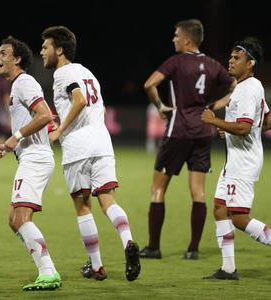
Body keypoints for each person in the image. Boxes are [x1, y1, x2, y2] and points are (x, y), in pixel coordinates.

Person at [40, 25, 141, 282]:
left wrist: (59, 130)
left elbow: (79, 100)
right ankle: (128, 240)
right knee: (108, 200)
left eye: (46, 47)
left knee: (83, 206)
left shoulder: (63, 73)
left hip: (78, 147)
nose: (42, 52)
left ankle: (96, 265)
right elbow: (98, 107)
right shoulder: (89, 73)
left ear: (59, 50)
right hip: (102, 142)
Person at [141, 19, 236, 260]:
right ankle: (193, 249)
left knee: (158, 189)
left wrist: (161, 106)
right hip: (204, 131)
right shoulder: (212, 64)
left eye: (176, 35)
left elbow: (149, 84)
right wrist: (215, 106)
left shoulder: (176, 62)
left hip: (178, 131)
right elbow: (234, 85)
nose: (173, 39)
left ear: (187, 40)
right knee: (198, 193)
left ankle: (153, 247)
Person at [0, 36, 61, 291]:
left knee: (20, 218)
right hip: (32, 157)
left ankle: (48, 272)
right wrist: (14, 145)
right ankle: (47, 270)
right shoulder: (18, 86)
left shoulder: (24, 82)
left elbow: (44, 115)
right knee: (14, 219)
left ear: (17, 58)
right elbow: (47, 120)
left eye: (3, 53)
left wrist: (14, 139)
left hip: (35, 159)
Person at [201, 37, 270, 280]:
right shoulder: (246, 86)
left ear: (250, 63)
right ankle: (228, 268)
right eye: (230, 56)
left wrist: (215, 121)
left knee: (239, 218)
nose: (230, 61)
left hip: (243, 162)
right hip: (235, 161)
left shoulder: (249, 88)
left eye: (236, 57)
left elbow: (243, 128)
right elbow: (266, 120)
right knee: (220, 209)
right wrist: (228, 128)